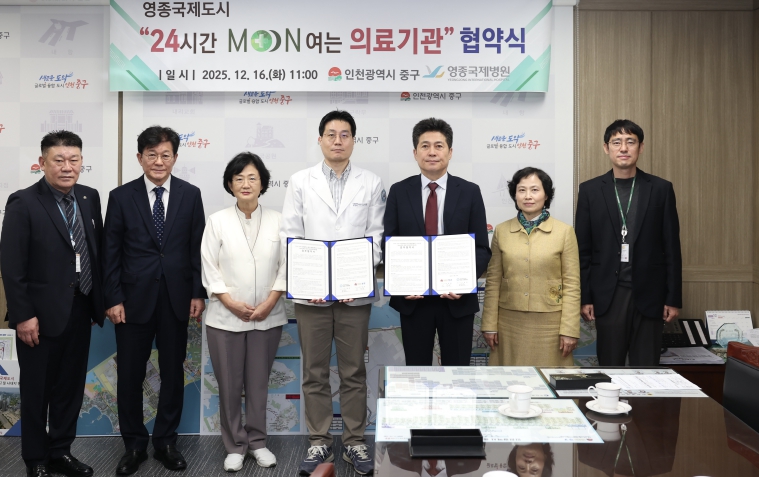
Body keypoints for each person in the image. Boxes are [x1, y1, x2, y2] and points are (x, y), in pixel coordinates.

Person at [281, 110, 384, 475]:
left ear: (353, 140)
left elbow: (376, 237)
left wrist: (352, 278)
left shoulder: (371, 182)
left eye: (344, 134)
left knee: (354, 370)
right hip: (311, 297)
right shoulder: (300, 181)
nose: (337, 140)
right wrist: (309, 281)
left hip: (354, 295)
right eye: (331, 134)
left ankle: (355, 441)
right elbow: (290, 234)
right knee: (314, 371)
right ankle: (319, 442)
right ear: (320, 139)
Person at [102, 126, 206, 475]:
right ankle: (134, 445)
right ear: (140, 158)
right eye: (152, 155)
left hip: (177, 299)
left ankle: (165, 442)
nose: (159, 161)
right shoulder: (121, 196)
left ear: (175, 157)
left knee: (173, 374)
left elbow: (196, 248)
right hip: (132, 301)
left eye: (165, 155)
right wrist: (113, 297)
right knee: (130, 375)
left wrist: (197, 292)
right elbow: (110, 253)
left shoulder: (191, 194)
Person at [1, 131, 105, 477]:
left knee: (70, 389)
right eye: (58, 160)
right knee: (37, 391)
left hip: (80, 308)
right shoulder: (23, 202)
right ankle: (36, 459)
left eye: (73, 159)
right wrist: (23, 315)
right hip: (39, 317)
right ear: (42, 163)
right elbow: (12, 266)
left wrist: (98, 301)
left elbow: (95, 251)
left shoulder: (89, 197)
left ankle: (61, 451)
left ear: (81, 162)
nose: (67, 167)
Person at [200, 153, 286, 472]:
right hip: (225, 318)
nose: (246, 184)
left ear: (263, 183)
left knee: (258, 384)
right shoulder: (217, 221)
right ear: (230, 184)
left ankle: (258, 442)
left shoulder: (279, 220)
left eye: (252, 177)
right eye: (239, 178)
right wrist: (230, 302)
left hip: (268, 316)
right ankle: (235, 445)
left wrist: (269, 302)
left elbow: (286, 266)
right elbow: (209, 267)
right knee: (229, 385)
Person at [383, 118, 491, 366]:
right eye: (425, 146)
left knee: (458, 371)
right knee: (416, 372)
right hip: (413, 300)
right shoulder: (399, 191)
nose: (432, 152)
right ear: (415, 152)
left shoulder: (470, 191)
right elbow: (389, 244)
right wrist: (403, 283)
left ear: (450, 152)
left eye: (439, 146)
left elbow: (481, 249)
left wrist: (463, 283)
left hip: (457, 300)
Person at [575, 119, 682, 366]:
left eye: (630, 142)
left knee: (646, 369)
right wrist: (585, 297)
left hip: (651, 294)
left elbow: (672, 247)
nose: (623, 148)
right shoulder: (590, 190)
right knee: (610, 367)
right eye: (616, 142)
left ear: (640, 147)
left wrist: (673, 298)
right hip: (608, 295)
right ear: (606, 148)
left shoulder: (661, 189)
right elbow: (583, 250)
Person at [481, 167, 580, 366]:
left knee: (548, 379)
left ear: (546, 195)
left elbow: (572, 284)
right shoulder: (501, 231)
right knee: (510, 378)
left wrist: (569, 329)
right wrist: (489, 324)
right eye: (522, 190)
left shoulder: (564, 232)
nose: (528, 196)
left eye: (535, 190)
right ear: (514, 195)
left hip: (551, 324)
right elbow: (493, 281)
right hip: (509, 322)